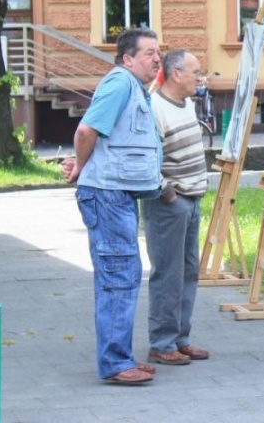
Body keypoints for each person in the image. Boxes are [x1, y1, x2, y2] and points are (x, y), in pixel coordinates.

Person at [62, 28, 162, 385]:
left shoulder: (135, 88)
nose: (156, 58)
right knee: (119, 276)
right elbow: (86, 132)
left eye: (158, 52)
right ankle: (116, 363)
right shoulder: (120, 83)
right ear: (127, 59)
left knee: (124, 274)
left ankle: (121, 356)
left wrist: (81, 164)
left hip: (114, 193)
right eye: (148, 52)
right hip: (107, 195)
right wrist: (81, 165)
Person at [141, 49, 211, 366]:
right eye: (196, 71)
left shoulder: (188, 104)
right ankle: (162, 343)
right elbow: (144, 157)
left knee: (187, 272)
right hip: (170, 204)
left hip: (191, 200)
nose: (201, 77)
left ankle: (180, 339)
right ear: (177, 74)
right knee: (168, 273)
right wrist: (168, 194)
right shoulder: (154, 107)